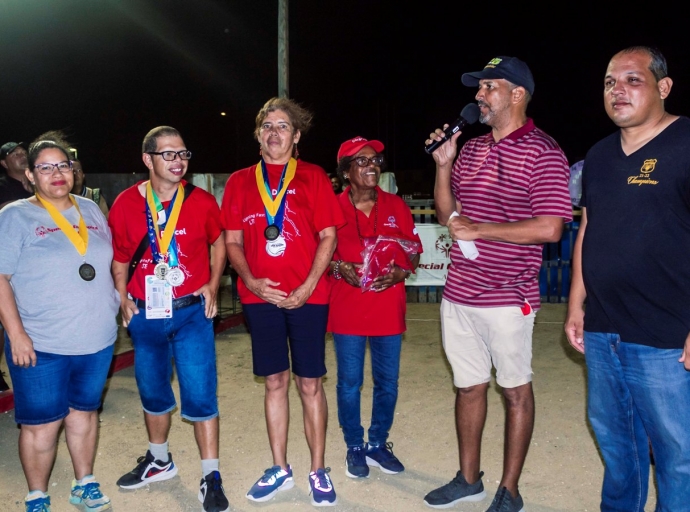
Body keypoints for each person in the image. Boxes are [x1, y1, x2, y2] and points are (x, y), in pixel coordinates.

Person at [423, 56, 572, 511]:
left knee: (514, 390)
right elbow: (450, 214)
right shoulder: (472, 149)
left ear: (517, 94)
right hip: (460, 294)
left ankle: (510, 489)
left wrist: (482, 230)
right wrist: (444, 164)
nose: (478, 96)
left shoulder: (544, 151)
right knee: (468, 387)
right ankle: (469, 479)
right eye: (479, 88)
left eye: (489, 87)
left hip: (510, 296)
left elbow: (551, 228)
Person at [564, 46, 690, 511]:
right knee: (619, 447)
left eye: (632, 80)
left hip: (667, 337)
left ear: (663, 87)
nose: (617, 90)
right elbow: (588, 227)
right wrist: (577, 302)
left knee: (679, 456)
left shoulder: (686, 143)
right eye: (609, 82)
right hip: (604, 330)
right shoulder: (599, 155)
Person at [222, 97, 344, 507]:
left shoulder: (313, 177)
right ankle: (280, 467)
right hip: (262, 298)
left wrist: (310, 284)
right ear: (258, 136)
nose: (275, 133)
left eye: (283, 127)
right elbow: (232, 241)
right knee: (274, 381)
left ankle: (317, 469)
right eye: (268, 126)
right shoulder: (239, 181)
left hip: (308, 296)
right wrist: (253, 282)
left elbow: (329, 235)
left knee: (309, 383)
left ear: (296, 137)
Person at [109, 126, 229, 512]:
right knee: (153, 391)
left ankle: (211, 475)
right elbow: (120, 256)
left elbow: (219, 241)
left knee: (200, 394)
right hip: (145, 312)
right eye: (169, 155)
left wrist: (212, 283)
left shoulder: (202, 201)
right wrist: (121, 296)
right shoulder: (126, 203)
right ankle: (159, 461)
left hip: (192, 312)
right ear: (148, 159)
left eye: (183, 154)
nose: (179, 162)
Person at [0, 132, 118, 512]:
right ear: (30, 176)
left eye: (63, 165)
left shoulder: (90, 208)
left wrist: (119, 298)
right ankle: (37, 495)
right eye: (45, 167)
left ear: (73, 169)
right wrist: (16, 334)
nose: (56, 173)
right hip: (41, 342)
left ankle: (84, 483)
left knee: (84, 414)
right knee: (41, 426)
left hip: (97, 339)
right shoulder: (14, 215)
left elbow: (107, 260)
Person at [328, 136, 421, 479]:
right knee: (349, 383)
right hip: (348, 308)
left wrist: (403, 270)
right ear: (345, 171)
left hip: (387, 307)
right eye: (362, 161)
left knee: (388, 382)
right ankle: (354, 445)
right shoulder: (331, 206)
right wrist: (338, 267)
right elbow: (317, 257)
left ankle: (378, 442)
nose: (372, 166)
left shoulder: (396, 204)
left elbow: (413, 249)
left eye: (376, 160)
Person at [70, 148, 109, 217]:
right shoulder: (61, 197)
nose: (75, 174)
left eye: (78, 170)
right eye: (72, 171)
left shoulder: (95, 197)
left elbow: (105, 222)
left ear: (83, 175)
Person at [0, 141, 32, 209]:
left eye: (24, 153)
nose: (23, 156)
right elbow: (5, 209)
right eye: (16, 154)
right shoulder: (2, 186)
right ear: (4, 163)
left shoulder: (38, 180)